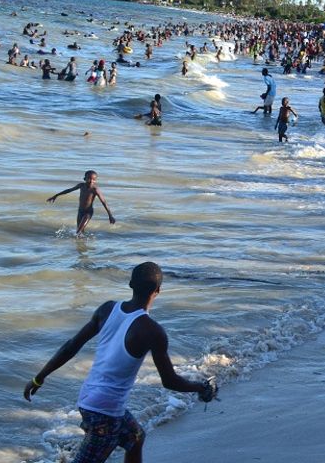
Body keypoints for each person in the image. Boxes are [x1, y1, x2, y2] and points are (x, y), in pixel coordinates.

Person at [22, 262, 217, 463]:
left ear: (130, 284)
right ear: (158, 290)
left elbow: (71, 346)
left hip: (88, 400)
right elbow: (169, 381)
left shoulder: (107, 309)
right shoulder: (152, 331)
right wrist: (200, 387)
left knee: (135, 438)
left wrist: (38, 378)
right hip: (105, 413)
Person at [49, 170, 116, 235]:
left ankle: (79, 241)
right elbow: (69, 190)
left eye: (94, 179)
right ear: (84, 179)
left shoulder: (95, 189)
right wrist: (56, 195)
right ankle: (82, 245)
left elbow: (103, 202)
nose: (91, 181)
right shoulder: (81, 185)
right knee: (81, 231)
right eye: (89, 179)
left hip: (88, 212)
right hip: (80, 211)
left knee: (78, 232)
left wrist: (110, 215)